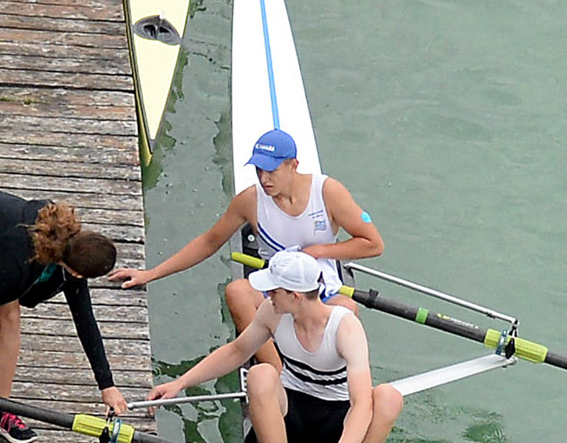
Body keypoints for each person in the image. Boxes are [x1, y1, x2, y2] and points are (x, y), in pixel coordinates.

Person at [145, 248, 402, 443]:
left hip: (338, 418)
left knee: (389, 398)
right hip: (292, 410)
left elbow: (360, 406)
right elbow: (237, 351)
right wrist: (180, 383)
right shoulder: (272, 311)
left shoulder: (345, 327)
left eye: (273, 290)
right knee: (260, 374)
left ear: (295, 296)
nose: (267, 295)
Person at [113, 125, 383, 342]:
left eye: (272, 171)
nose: (264, 179)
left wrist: (319, 251)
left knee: (348, 310)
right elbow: (209, 242)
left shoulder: (328, 193)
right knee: (237, 292)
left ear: (293, 165)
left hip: (319, 286)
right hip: (273, 286)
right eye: (258, 170)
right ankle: (275, 370)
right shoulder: (249, 201)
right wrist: (150, 274)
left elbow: (372, 244)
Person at [0, 190, 127, 443]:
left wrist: (106, 384)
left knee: (10, 314)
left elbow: (85, 321)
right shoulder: (15, 252)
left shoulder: (70, 250)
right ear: (77, 272)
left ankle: (0, 406)